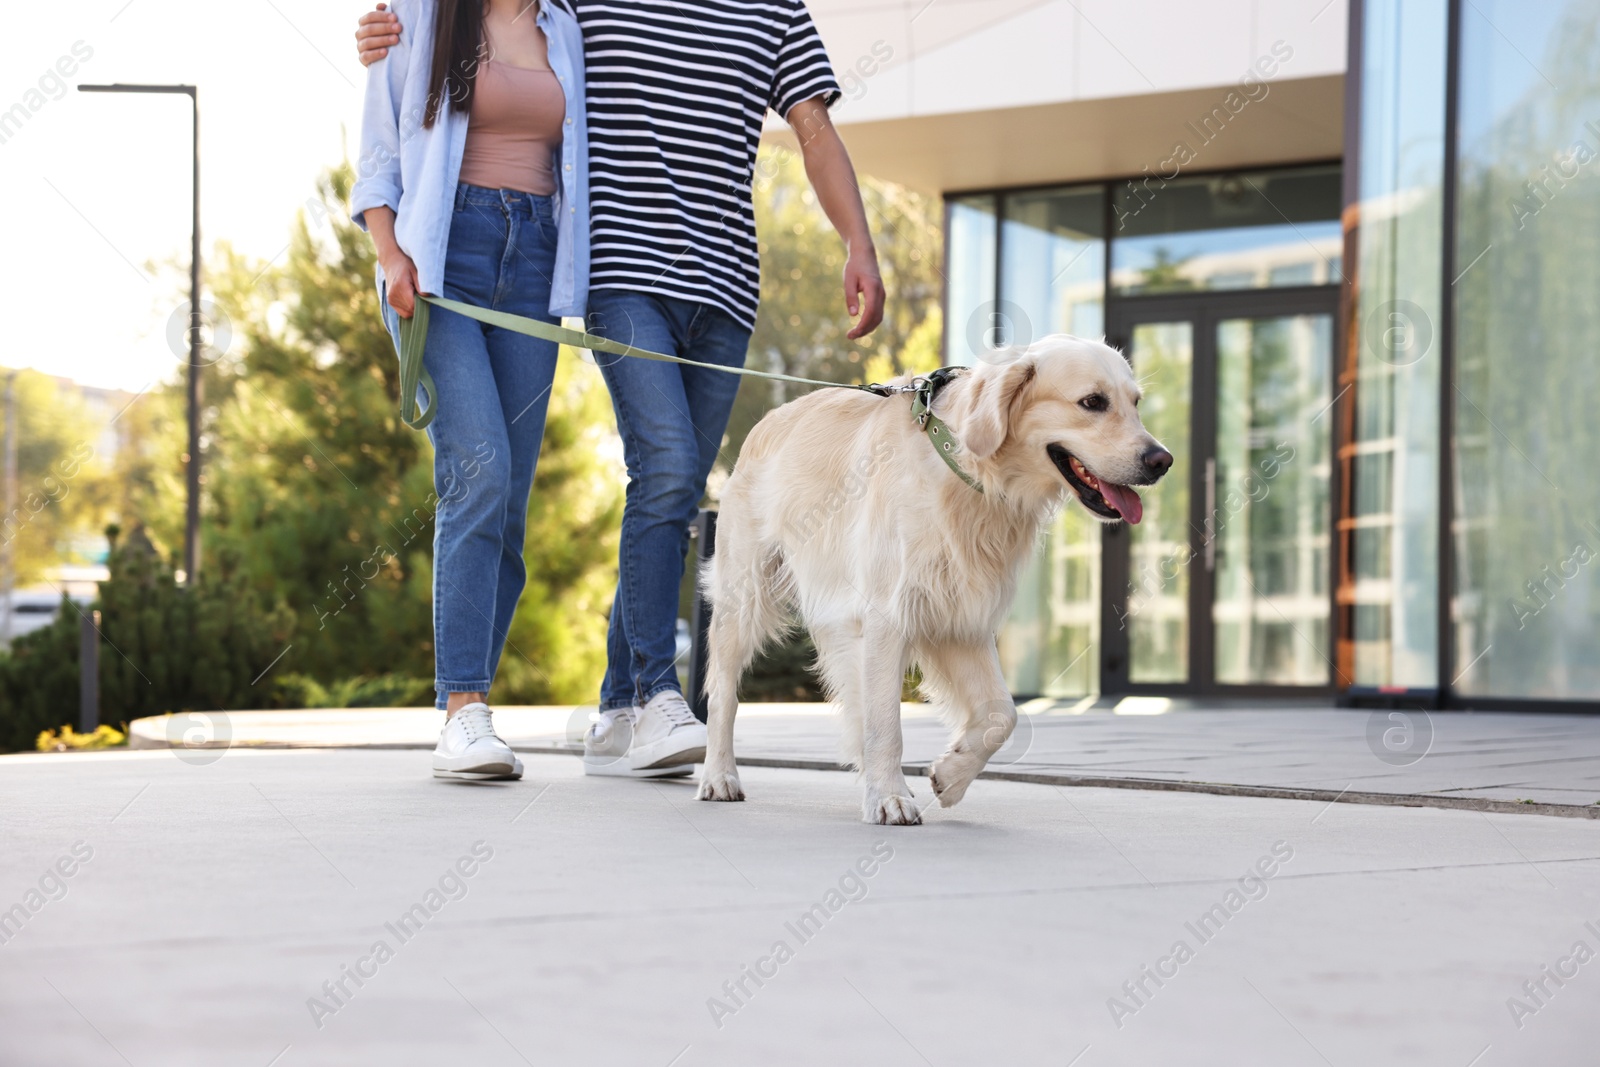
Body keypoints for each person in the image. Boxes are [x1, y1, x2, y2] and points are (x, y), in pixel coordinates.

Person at [356, 0, 885, 779]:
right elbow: (399, 107)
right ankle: (556, 702)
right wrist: (387, 242)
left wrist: (858, 242)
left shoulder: (609, 18)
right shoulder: (533, 6)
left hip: (656, 276)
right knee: (596, 468)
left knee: (639, 495)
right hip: (561, 271)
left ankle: (617, 708)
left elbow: (813, 128)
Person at [351, 0, 590, 779]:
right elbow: (379, 154)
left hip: (533, 265)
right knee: (477, 469)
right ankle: (461, 709)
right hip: (440, 261)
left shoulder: (565, 27)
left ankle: (471, 711)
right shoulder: (422, 14)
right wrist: (392, 260)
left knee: (509, 500)